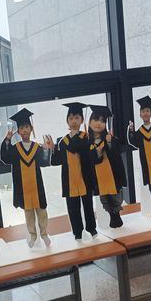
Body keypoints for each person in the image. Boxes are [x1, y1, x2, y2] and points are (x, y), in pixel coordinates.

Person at [0, 108, 53, 247]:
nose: (24, 130)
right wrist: (7, 140)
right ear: (18, 131)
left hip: (37, 186)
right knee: (28, 213)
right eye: (21, 128)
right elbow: (5, 158)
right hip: (23, 188)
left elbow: (44, 162)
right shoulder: (15, 148)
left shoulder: (37, 147)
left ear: (31, 129)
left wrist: (47, 150)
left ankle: (44, 233)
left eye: (26, 127)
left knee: (42, 211)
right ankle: (32, 235)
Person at [50, 102, 97, 240]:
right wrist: (53, 149)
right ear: (67, 121)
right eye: (71, 118)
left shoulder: (87, 138)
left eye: (77, 118)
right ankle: (77, 232)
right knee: (73, 209)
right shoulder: (62, 141)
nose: (74, 121)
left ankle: (92, 229)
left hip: (84, 178)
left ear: (82, 120)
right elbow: (56, 161)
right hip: (69, 180)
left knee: (88, 206)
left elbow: (90, 155)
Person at [87, 105, 127, 228]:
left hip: (111, 173)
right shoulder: (87, 142)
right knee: (104, 196)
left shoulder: (109, 138)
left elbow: (117, 153)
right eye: (96, 119)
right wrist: (98, 153)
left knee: (115, 195)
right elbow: (91, 160)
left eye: (102, 121)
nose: (99, 123)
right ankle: (112, 215)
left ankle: (116, 214)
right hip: (98, 176)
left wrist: (109, 142)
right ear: (89, 122)